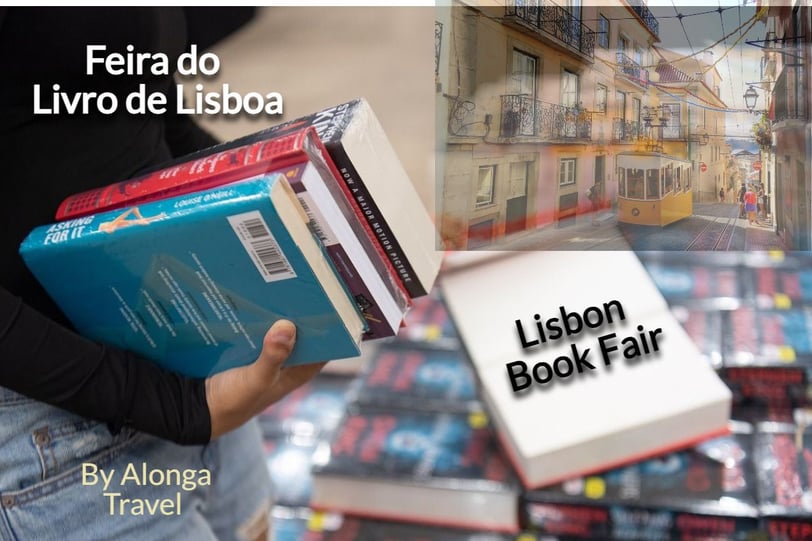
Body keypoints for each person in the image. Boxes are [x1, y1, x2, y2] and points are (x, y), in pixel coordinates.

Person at [0, 8, 323, 540]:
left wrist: (290, 194)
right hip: (56, 426)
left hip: (187, 346)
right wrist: (171, 406)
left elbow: (141, 111)